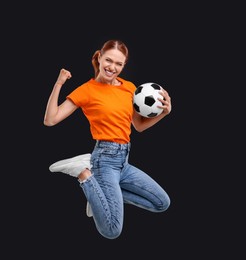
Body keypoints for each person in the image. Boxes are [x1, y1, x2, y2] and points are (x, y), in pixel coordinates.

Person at [44, 39, 172, 239]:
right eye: (108, 60)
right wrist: (59, 83)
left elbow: (138, 125)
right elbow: (50, 120)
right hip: (104, 161)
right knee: (112, 230)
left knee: (161, 203)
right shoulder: (87, 90)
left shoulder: (129, 88)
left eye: (119, 64)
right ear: (99, 57)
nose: (112, 67)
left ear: (123, 65)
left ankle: (97, 196)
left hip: (124, 162)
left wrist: (164, 113)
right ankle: (85, 176)